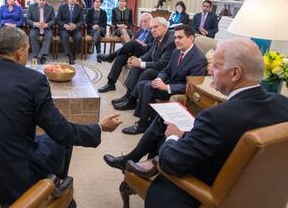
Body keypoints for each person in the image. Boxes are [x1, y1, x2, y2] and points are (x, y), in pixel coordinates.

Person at [104, 38, 288, 208]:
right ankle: (134, 159)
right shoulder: (282, 103)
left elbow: (172, 163)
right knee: (164, 121)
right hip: (256, 187)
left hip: (202, 191)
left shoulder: (216, 117)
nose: (209, 71)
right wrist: (188, 134)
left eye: (215, 66)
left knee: (166, 141)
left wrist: (175, 137)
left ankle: (145, 163)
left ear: (235, 73)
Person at [0, 26, 122, 207]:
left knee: (44, 138)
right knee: (61, 140)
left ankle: (56, 183)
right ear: (20, 52)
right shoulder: (33, 80)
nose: (28, 53)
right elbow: (63, 132)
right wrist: (99, 127)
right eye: (28, 49)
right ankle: (54, 186)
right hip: (14, 175)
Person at [122, 25, 207, 135]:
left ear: (191, 38)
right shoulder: (177, 52)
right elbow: (166, 70)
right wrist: (158, 79)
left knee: (147, 86)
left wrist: (166, 87)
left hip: (177, 89)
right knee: (142, 84)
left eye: (180, 37)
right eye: (175, 37)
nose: (176, 40)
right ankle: (149, 120)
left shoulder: (199, 59)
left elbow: (191, 86)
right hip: (167, 83)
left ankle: (142, 124)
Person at [112, 20, 176, 110]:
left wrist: (140, 63)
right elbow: (150, 53)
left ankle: (131, 100)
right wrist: (138, 60)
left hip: (165, 70)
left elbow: (162, 64)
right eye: (152, 28)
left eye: (156, 27)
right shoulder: (158, 37)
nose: (153, 30)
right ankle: (127, 96)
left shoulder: (171, 41)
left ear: (165, 27)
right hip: (157, 65)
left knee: (148, 71)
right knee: (136, 67)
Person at [97, 13, 155, 93]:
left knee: (134, 43)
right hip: (134, 51)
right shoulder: (140, 31)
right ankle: (111, 84)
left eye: (145, 21)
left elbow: (155, 45)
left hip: (144, 53)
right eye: (141, 22)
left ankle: (110, 56)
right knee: (120, 57)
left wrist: (144, 44)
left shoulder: (154, 31)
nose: (143, 23)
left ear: (151, 22)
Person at [26, 0, 55, 64]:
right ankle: (38, 55)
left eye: (43, 0)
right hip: (35, 27)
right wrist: (35, 23)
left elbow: (53, 20)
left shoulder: (50, 8)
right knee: (32, 35)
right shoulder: (31, 7)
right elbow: (27, 19)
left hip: (46, 28)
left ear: (46, 1)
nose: (41, 1)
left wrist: (47, 24)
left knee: (49, 36)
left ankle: (39, 56)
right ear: (37, 0)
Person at [56, 0, 84, 64]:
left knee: (79, 37)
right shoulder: (62, 7)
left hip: (75, 28)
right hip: (64, 28)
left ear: (77, 0)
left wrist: (75, 25)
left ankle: (73, 53)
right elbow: (58, 20)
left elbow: (81, 21)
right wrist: (65, 25)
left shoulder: (80, 8)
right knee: (65, 36)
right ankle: (70, 55)